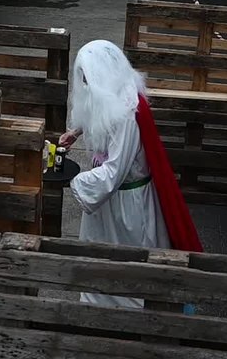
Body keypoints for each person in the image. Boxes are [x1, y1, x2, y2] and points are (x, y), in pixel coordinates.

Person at [57, 40, 204, 307]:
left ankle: (124, 312)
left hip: (127, 203)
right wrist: (76, 131)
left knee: (126, 262)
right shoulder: (114, 90)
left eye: (89, 79)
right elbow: (97, 112)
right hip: (111, 201)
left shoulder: (126, 114)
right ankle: (98, 303)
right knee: (100, 259)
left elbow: (114, 172)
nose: (86, 85)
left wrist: (72, 180)